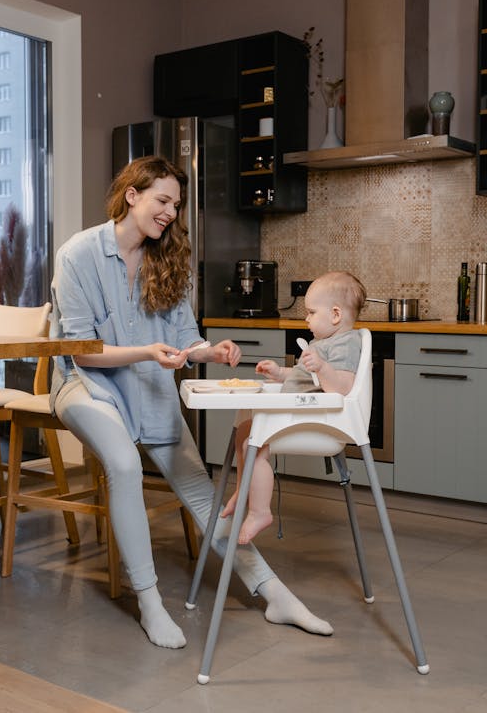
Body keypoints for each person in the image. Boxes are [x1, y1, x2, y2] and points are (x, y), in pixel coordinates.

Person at [48, 155, 333, 649]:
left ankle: (273, 593)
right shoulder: (78, 254)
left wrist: (210, 350)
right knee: (123, 464)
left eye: (176, 205)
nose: (170, 213)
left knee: (200, 490)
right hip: (86, 386)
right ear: (131, 194)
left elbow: (184, 341)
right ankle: (150, 602)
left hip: (149, 384)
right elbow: (80, 352)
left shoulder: (169, 258)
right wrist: (146, 352)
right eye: (163, 200)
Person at [220, 271, 366, 545]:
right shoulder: (321, 343)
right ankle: (244, 488)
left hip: (320, 420)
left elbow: (343, 387)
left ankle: (260, 511)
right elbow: (303, 379)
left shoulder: (346, 343)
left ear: (335, 314)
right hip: (302, 410)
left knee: (254, 442)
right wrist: (280, 373)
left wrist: (322, 367)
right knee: (244, 430)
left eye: (311, 312)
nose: (306, 318)